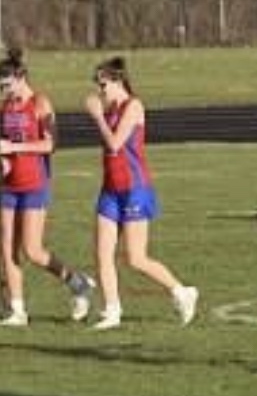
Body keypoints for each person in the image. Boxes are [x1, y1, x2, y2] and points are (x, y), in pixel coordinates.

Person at [84, 57, 199, 331]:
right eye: (97, 85)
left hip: (134, 189)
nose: (100, 91)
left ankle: (182, 291)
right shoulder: (110, 107)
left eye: (103, 85)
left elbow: (114, 144)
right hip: (110, 188)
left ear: (118, 81)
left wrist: (97, 116)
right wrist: (102, 113)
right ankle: (111, 310)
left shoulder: (133, 106)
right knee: (102, 254)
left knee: (135, 258)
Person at [0, 47, 95, 326]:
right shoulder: (6, 106)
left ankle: (77, 282)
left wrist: (15, 147)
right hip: (7, 185)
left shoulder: (40, 103)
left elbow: (50, 144)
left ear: (20, 77)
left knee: (33, 250)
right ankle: (17, 310)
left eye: (6, 85)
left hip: (34, 183)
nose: (4, 91)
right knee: (7, 247)